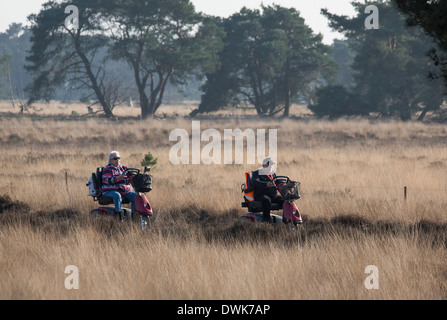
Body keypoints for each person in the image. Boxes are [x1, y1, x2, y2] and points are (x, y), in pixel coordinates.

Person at [101, 151, 137, 220]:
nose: (117, 160)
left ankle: (133, 217)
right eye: (115, 158)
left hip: (124, 191)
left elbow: (130, 176)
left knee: (136, 196)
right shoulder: (108, 169)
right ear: (110, 160)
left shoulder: (124, 168)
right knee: (117, 195)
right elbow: (106, 181)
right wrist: (117, 178)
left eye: (118, 158)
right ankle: (119, 216)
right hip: (110, 191)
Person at [252, 157, 283, 223]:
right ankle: (267, 221)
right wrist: (266, 184)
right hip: (261, 195)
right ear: (263, 165)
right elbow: (255, 183)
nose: (271, 166)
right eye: (269, 164)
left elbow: (277, 183)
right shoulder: (257, 173)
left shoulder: (273, 174)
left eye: (272, 164)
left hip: (273, 195)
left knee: (285, 200)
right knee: (266, 200)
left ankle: (287, 219)